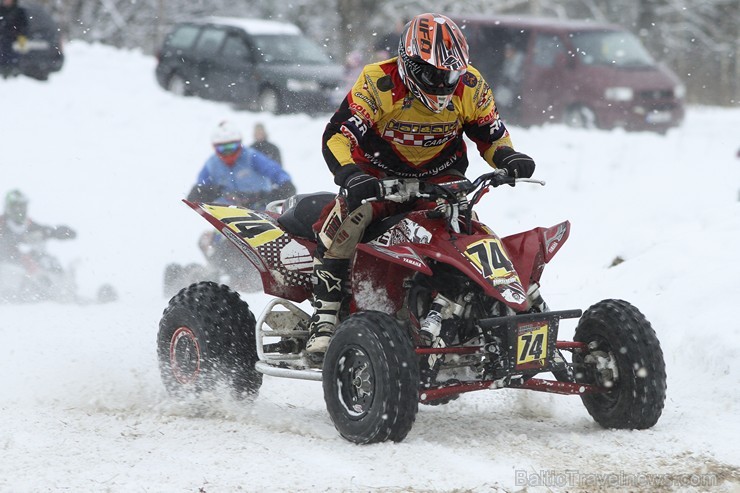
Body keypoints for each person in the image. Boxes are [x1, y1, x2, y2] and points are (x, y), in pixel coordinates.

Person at [304, 13, 536, 353]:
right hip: (378, 177)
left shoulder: (469, 85)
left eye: (451, 74)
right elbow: (338, 137)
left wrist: (507, 157)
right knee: (349, 217)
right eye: (433, 74)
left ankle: (447, 306)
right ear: (409, 62)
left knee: (463, 230)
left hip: (441, 178)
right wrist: (351, 175)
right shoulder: (378, 82)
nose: (443, 83)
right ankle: (324, 315)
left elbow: (490, 133)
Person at [187, 120, 295, 205]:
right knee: (211, 234)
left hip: (258, 205)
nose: (228, 152)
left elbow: (274, 170)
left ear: (239, 144)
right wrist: (199, 191)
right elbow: (202, 184)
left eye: (231, 147)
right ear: (215, 148)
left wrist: (285, 184)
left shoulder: (251, 156)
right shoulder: (212, 164)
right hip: (228, 209)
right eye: (222, 148)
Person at [0, 189, 76, 263]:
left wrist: (56, 232)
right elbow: (5, 241)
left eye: (23, 206)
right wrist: (23, 238)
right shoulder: (2, 223)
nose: (20, 210)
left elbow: (42, 230)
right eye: (17, 207)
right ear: (9, 207)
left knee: (46, 261)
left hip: (25, 265)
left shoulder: (28, 224)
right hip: (6, 264)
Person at [0, 0, 28, 77]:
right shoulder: (1, 10)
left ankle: (13, 71)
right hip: (3, 38)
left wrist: (20, 36)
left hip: (15, 39)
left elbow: (24, 25)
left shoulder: (19, 11)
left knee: (14, 56)